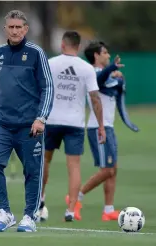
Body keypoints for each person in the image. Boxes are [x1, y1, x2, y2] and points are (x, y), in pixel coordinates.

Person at [0, 10, 54, 233]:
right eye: (11, 27)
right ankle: (4, 212)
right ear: (5, 29)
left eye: (19, 27)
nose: (15, 31)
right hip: (1, 123)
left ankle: (30, 216)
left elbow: (48, 87)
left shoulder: (36, 53)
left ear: (25, 29)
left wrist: (41, 118)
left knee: (32, 171)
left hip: (29, 126)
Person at [40, 31, 105, 222]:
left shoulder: (50, 63)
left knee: (44, 161)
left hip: (50, 120)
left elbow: (39, 89)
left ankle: (39, 202)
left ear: (62, 44)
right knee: (74, 166)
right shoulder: (86, 68)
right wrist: (101, 126)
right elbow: (95, 98)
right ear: (78, 46)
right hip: (75, 123)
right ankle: (70, 210)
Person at [78, 41, 133, 221]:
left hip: (108, 126)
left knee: (113, 169)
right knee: (107, 170)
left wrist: (116, 75)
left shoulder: (105, 74)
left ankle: (108, 210)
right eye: (105, 52)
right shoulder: (92, 73)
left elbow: (113, 85)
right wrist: (112, 69)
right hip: (97, 127)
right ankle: (76, 196)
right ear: (96, 55)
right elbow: (101, 81)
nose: (108, 55)